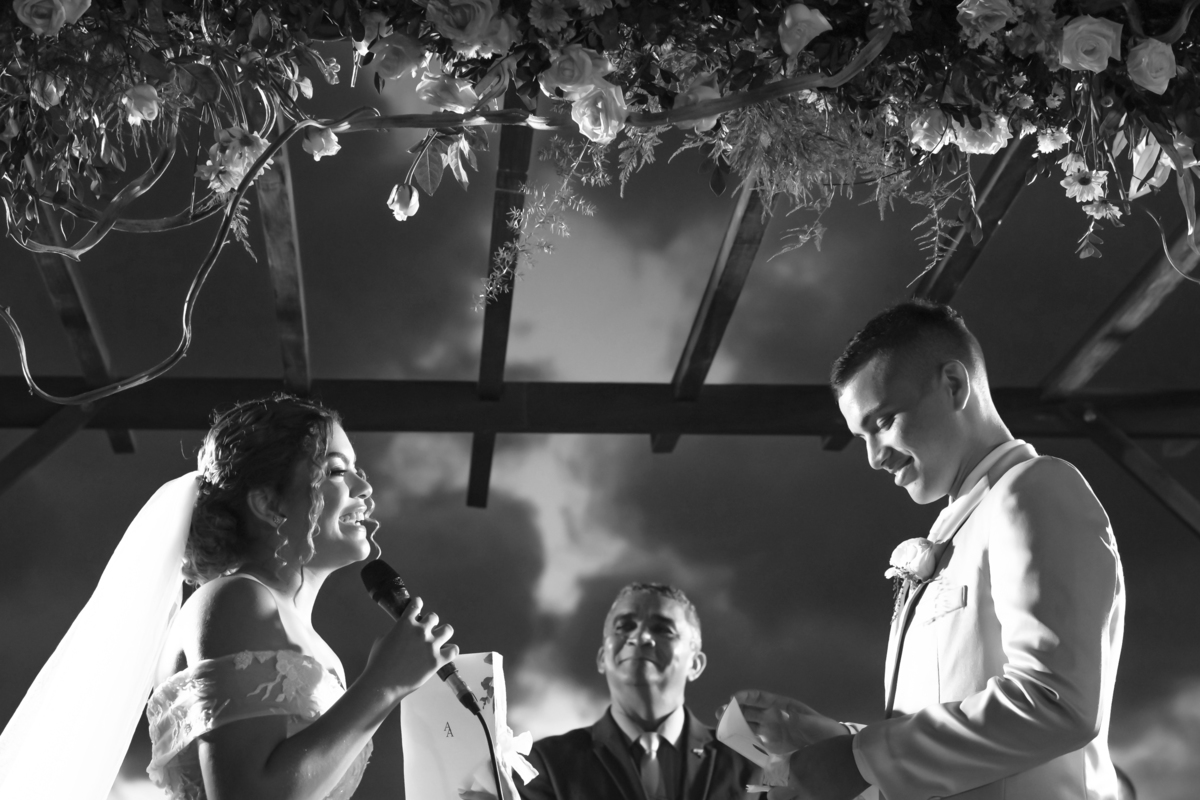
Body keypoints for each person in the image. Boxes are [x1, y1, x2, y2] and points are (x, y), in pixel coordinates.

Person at [737, 301, 1125, 800]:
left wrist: (858, 761)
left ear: (955, 385)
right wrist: (839, 740)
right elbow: (961, 722)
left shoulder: (1035, 489)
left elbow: (1056, 702)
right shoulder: (965, 522)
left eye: (883, 421)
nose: (875, 458)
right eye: (862, 436)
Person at [0, 394, 458, 800]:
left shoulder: (323, 654)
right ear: (269, 504)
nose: (365, 488)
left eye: (357, 470)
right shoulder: (236, 599)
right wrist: (384, 686)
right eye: (336, 471)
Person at [517, 583, 758, 800]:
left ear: (695, 664)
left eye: (663, 629)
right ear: (602, 658)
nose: (640, 637)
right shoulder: (544, 764)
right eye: (624, 626)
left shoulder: (750, 762)